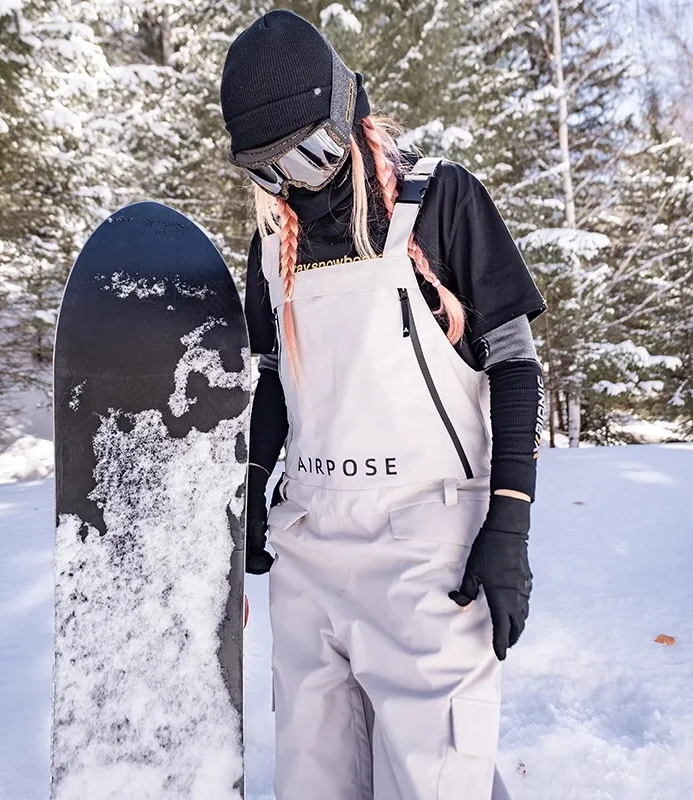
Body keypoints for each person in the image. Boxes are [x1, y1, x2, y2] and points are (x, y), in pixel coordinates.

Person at [220, 10, 545, 800]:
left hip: (426, 543)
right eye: (268, 172)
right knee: (316, 779)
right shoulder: (273, 247)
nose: (294, 182)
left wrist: (509, 524)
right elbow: (273, 374)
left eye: (312, 153)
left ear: (345, 112)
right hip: (312, 547)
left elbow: (512, 361)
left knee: (438, 778)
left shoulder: (439, 203)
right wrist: (256, 490)